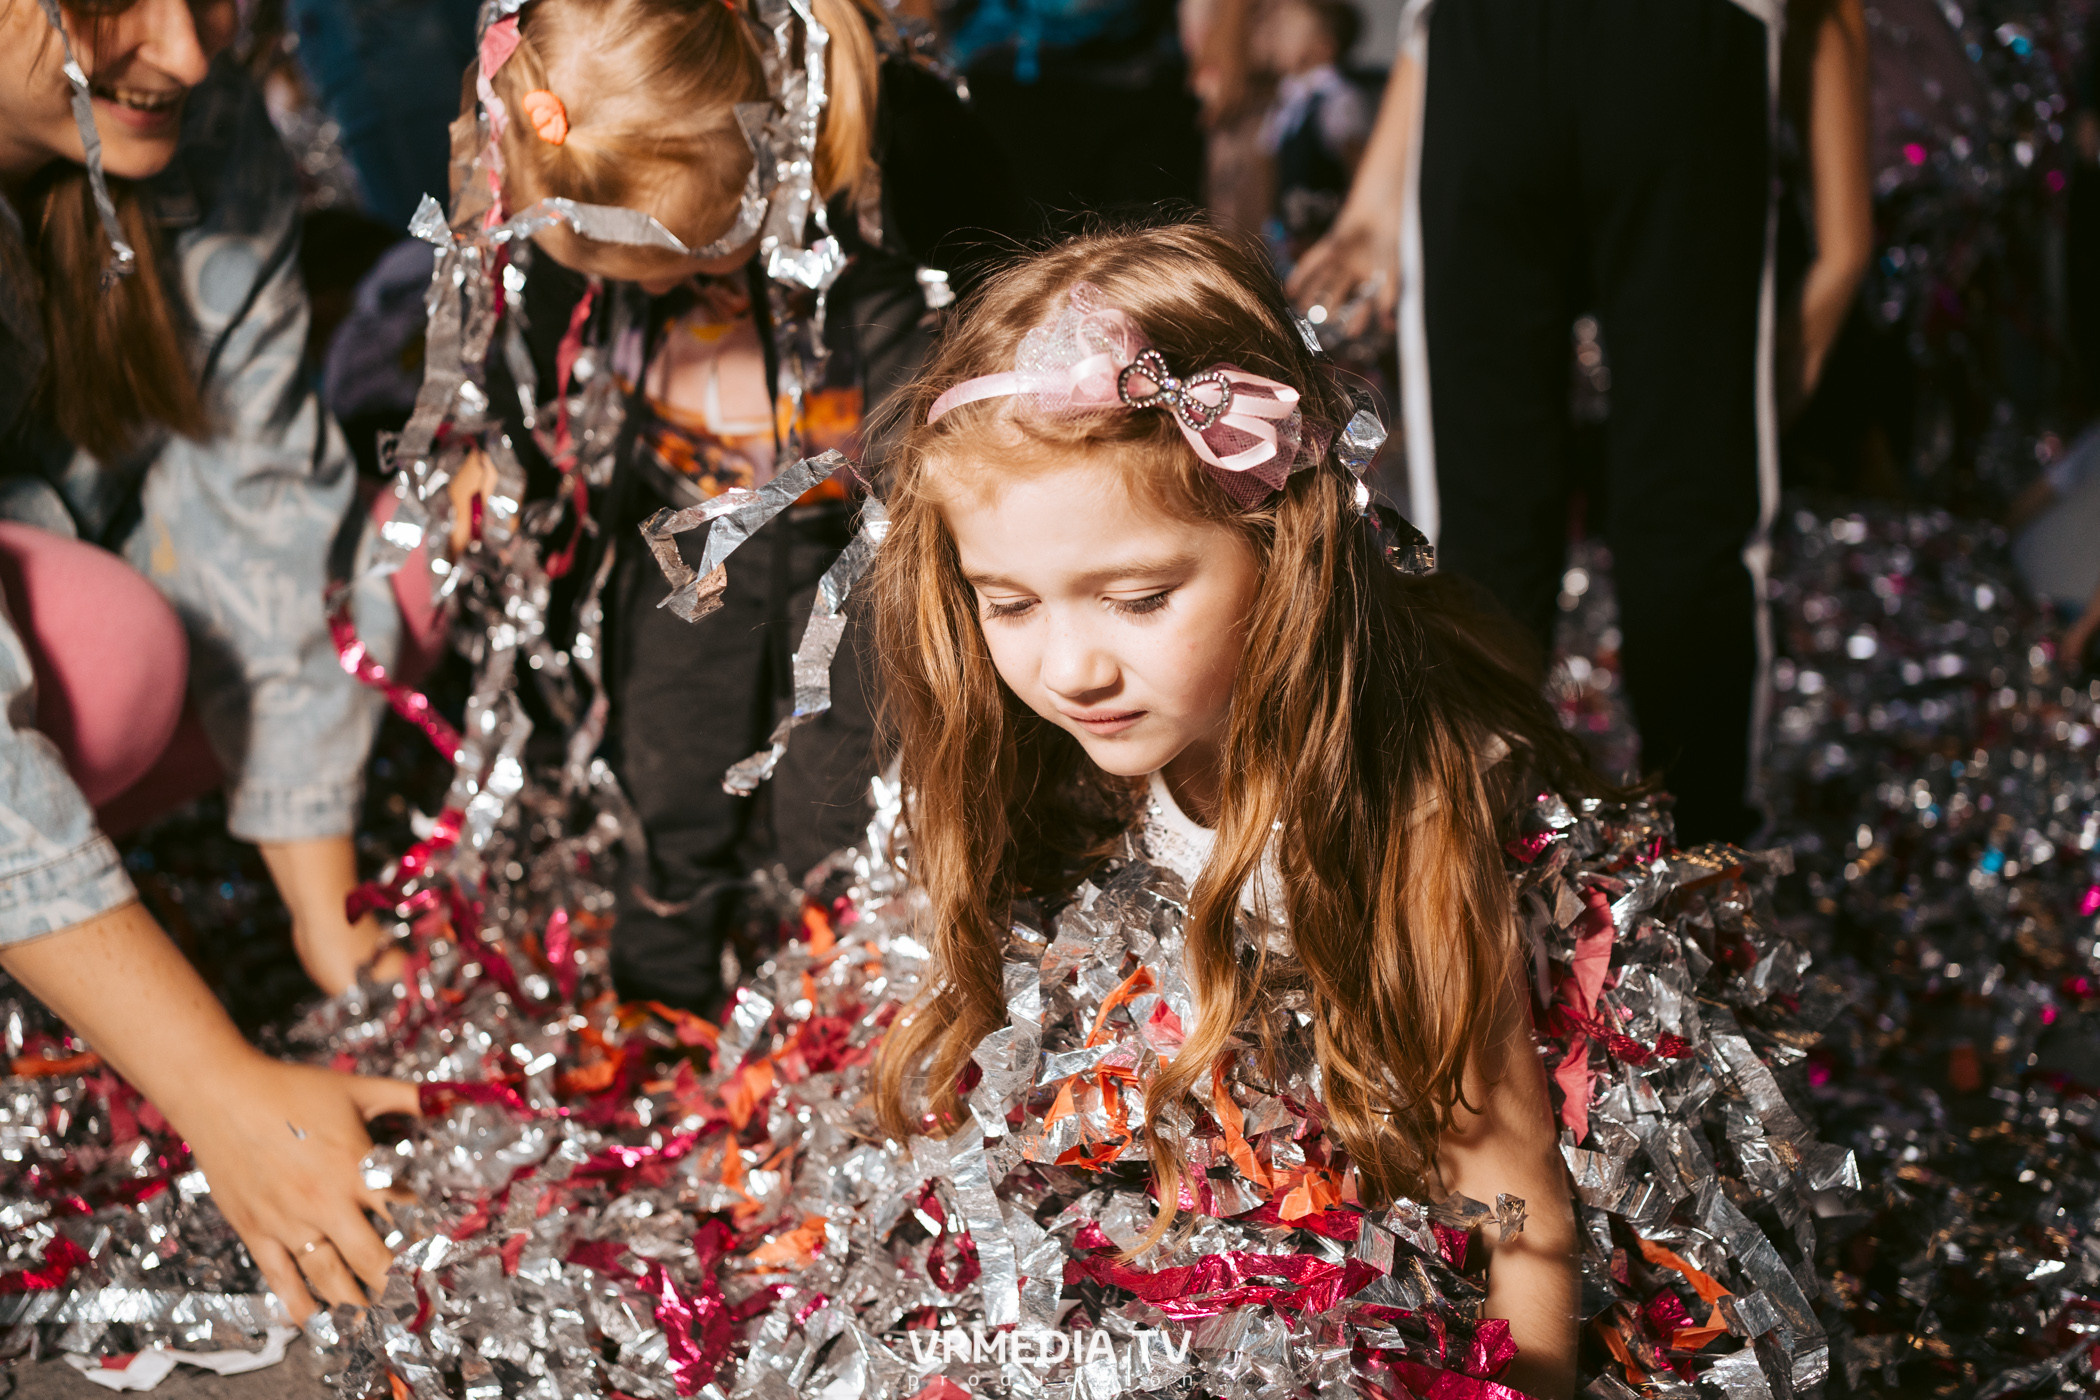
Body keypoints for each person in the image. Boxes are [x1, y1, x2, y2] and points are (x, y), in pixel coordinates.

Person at [866, 223, 1589, 1399]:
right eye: (1007, 602)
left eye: (1139, 597)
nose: (1069, 668)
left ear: (1280, 546)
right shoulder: (1066, 756)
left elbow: (1520, 1213)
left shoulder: (1392, 824)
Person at [439, 0, 1027, 1012]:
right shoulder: (573, 163)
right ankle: (659, 1007)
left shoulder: (899, 142)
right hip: (691, 518)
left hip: (873, 536)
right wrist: (497, 448)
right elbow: (530, 318)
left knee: (848, 781)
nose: (660, 289)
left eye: (687, 262)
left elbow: (1016, 286)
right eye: (624, 278)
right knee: (671, 762)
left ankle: (848, 1011)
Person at [0, 0, 414, 1316]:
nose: (182, 53)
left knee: (411, 559)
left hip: (73, 586)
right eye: (111, 1)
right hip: (69, 643)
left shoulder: (189, 110)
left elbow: (260, 496)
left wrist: (324, 922)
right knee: (104, 650)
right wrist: (219, 1091)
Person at [1288, 0, 1873, 845]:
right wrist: (1846, 234)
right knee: (1679, 520)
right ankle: (1697, 867)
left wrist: (1382, 188)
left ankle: (1482, 860)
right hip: (1648, 47)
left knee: (1500, 526)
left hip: (1499, 51)